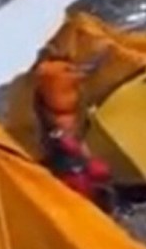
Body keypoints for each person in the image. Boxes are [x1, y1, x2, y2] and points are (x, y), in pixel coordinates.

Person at [33, 44, 116, 210]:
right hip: (67, 119)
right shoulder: (63, 71)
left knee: (64, 151)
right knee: (78, 153)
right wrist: (104, 56)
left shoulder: (41, 74)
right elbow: (88, 71)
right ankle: (89, 190)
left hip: (51, 118)